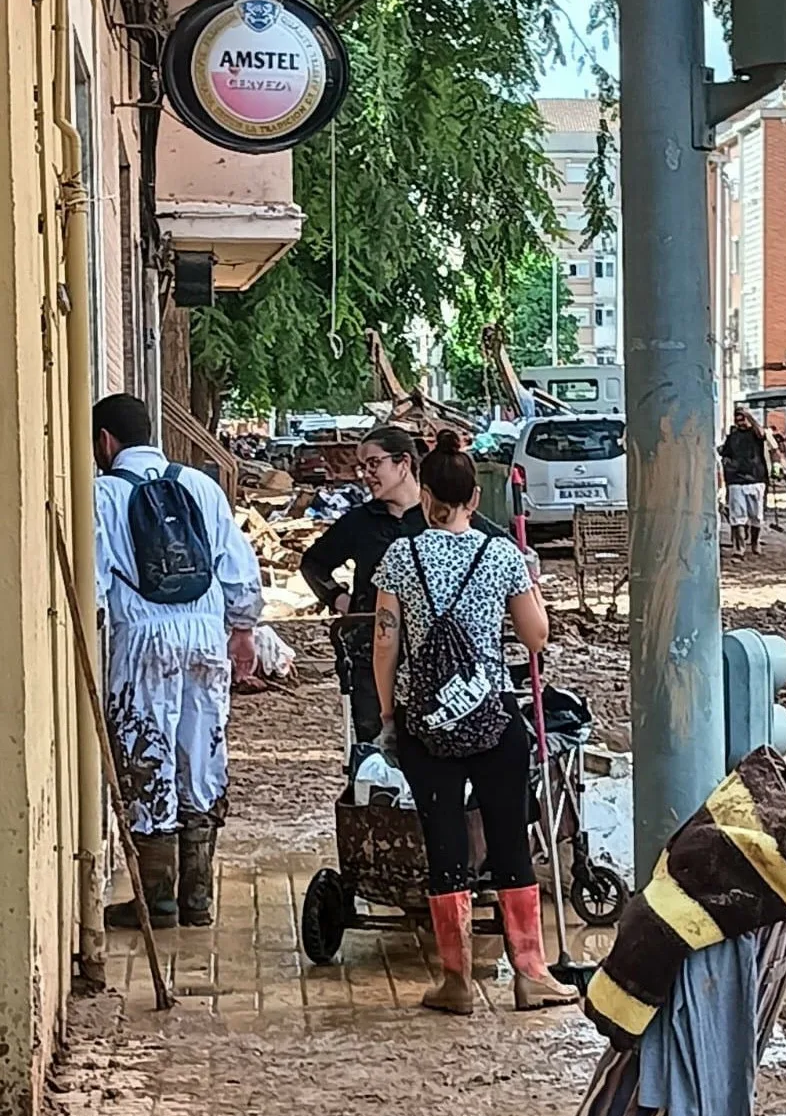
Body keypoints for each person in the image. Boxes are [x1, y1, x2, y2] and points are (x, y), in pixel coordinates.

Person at [371, 431, 575, 1017]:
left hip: (424, 725)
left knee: (445, 843)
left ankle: (457, 980)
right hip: (490, 718)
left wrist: (390, 715)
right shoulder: (501, 555)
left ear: (425, 493)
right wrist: (528, 583)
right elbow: (537, 637)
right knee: (511, 837)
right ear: (474, 500)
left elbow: (384, 646)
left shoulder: (400, 558)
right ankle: (530, 973)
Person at [93, 394, 263, 929]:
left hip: (144, 639)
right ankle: (198, 896)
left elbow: (93, 586)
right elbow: (237, 566)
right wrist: (243, 629)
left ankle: (157, 897)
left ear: (105, 441)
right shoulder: (201, 487)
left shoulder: (102, 496)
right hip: (205, 636)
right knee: (200, 756)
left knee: (148, 755)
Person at [301, 427, 504, 743]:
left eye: (373, 464)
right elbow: (313, 563)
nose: (366, 475)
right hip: (371, 648)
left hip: (437, 653)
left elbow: (501, 549)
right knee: (375, 740)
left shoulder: (441, 515)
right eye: (362, 467)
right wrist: (341, 599)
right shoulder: (360, 522)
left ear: (403, 463)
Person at [720, 407, 769, 556]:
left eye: (743, 419)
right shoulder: (732, 436)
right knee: (737, 516)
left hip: (755, 479)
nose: (740, 422)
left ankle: (755, 543)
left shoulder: (755, 434)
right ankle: (739, 548)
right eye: (738, 419)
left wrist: (750, 416)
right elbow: (725, 453)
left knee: (756, 516)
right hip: (736, 480)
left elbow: (761, 433)